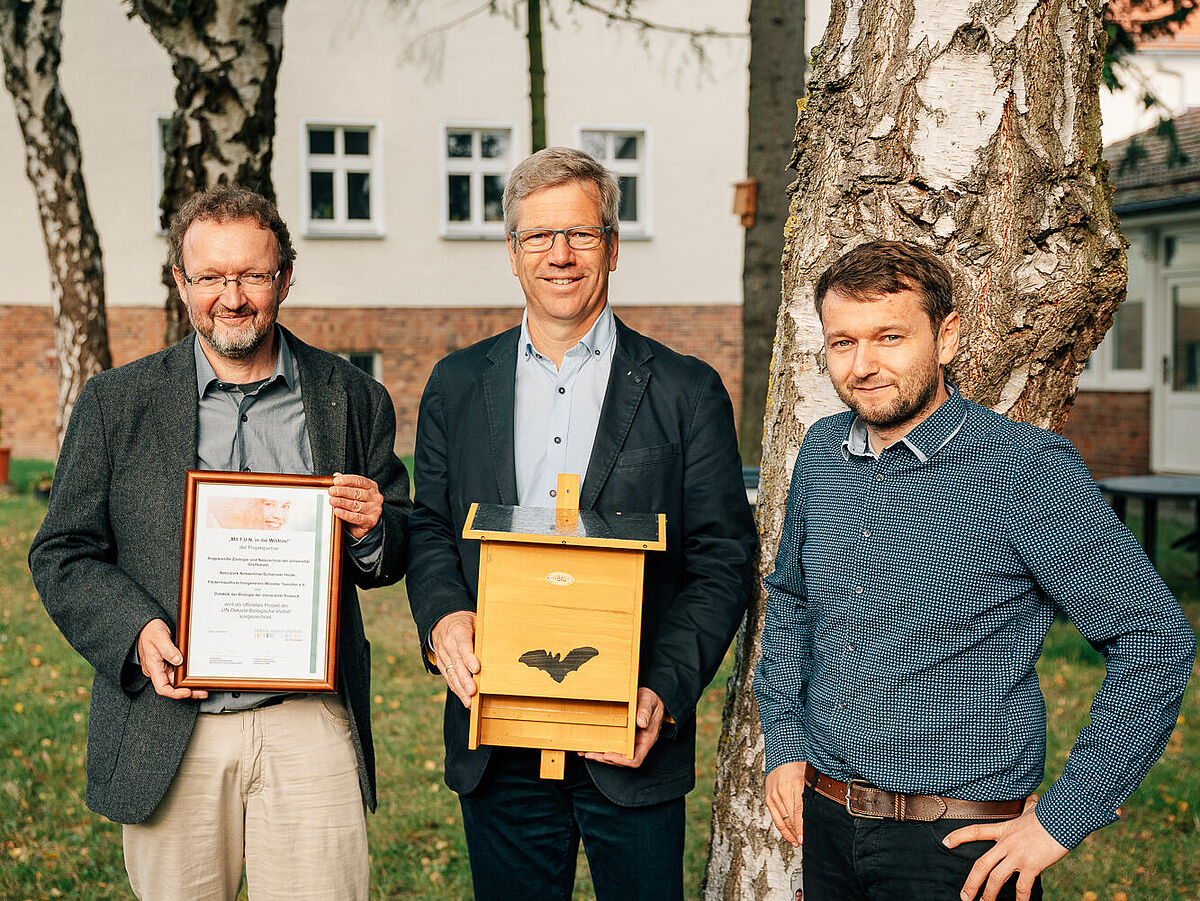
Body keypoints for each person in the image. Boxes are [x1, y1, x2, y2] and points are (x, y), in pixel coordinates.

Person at [754, 240, 1195, 901]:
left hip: (958, 849)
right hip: (827, 826)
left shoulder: (1026, 470)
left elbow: (1154, 637)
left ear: (947, 336)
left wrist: (1061, 819)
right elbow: (790, 600)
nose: (864, 364)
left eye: (890, 337)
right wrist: (786, 739)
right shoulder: (821, 453)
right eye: (843, 342)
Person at [29, 186, 411, 901]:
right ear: (181, 282)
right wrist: (136, 629)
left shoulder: (351, 395)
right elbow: (63, 550)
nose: (232, 298)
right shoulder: (118, 403)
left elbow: (389, 550)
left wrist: (372, 530)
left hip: (306, 721)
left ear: (285, 278)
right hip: (170, 722)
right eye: (211, 277)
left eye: (253, 276)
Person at [407, 147, 756, 900]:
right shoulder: (458, 384)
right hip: (497, 737)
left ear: (614, 247)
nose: (559, 255)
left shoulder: (686, 391)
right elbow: (429, 524)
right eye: (538, 236)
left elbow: (721, 558)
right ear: (511, 253)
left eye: (581, 235)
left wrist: (664, 687)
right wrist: (442, 616)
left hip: (629, 734)